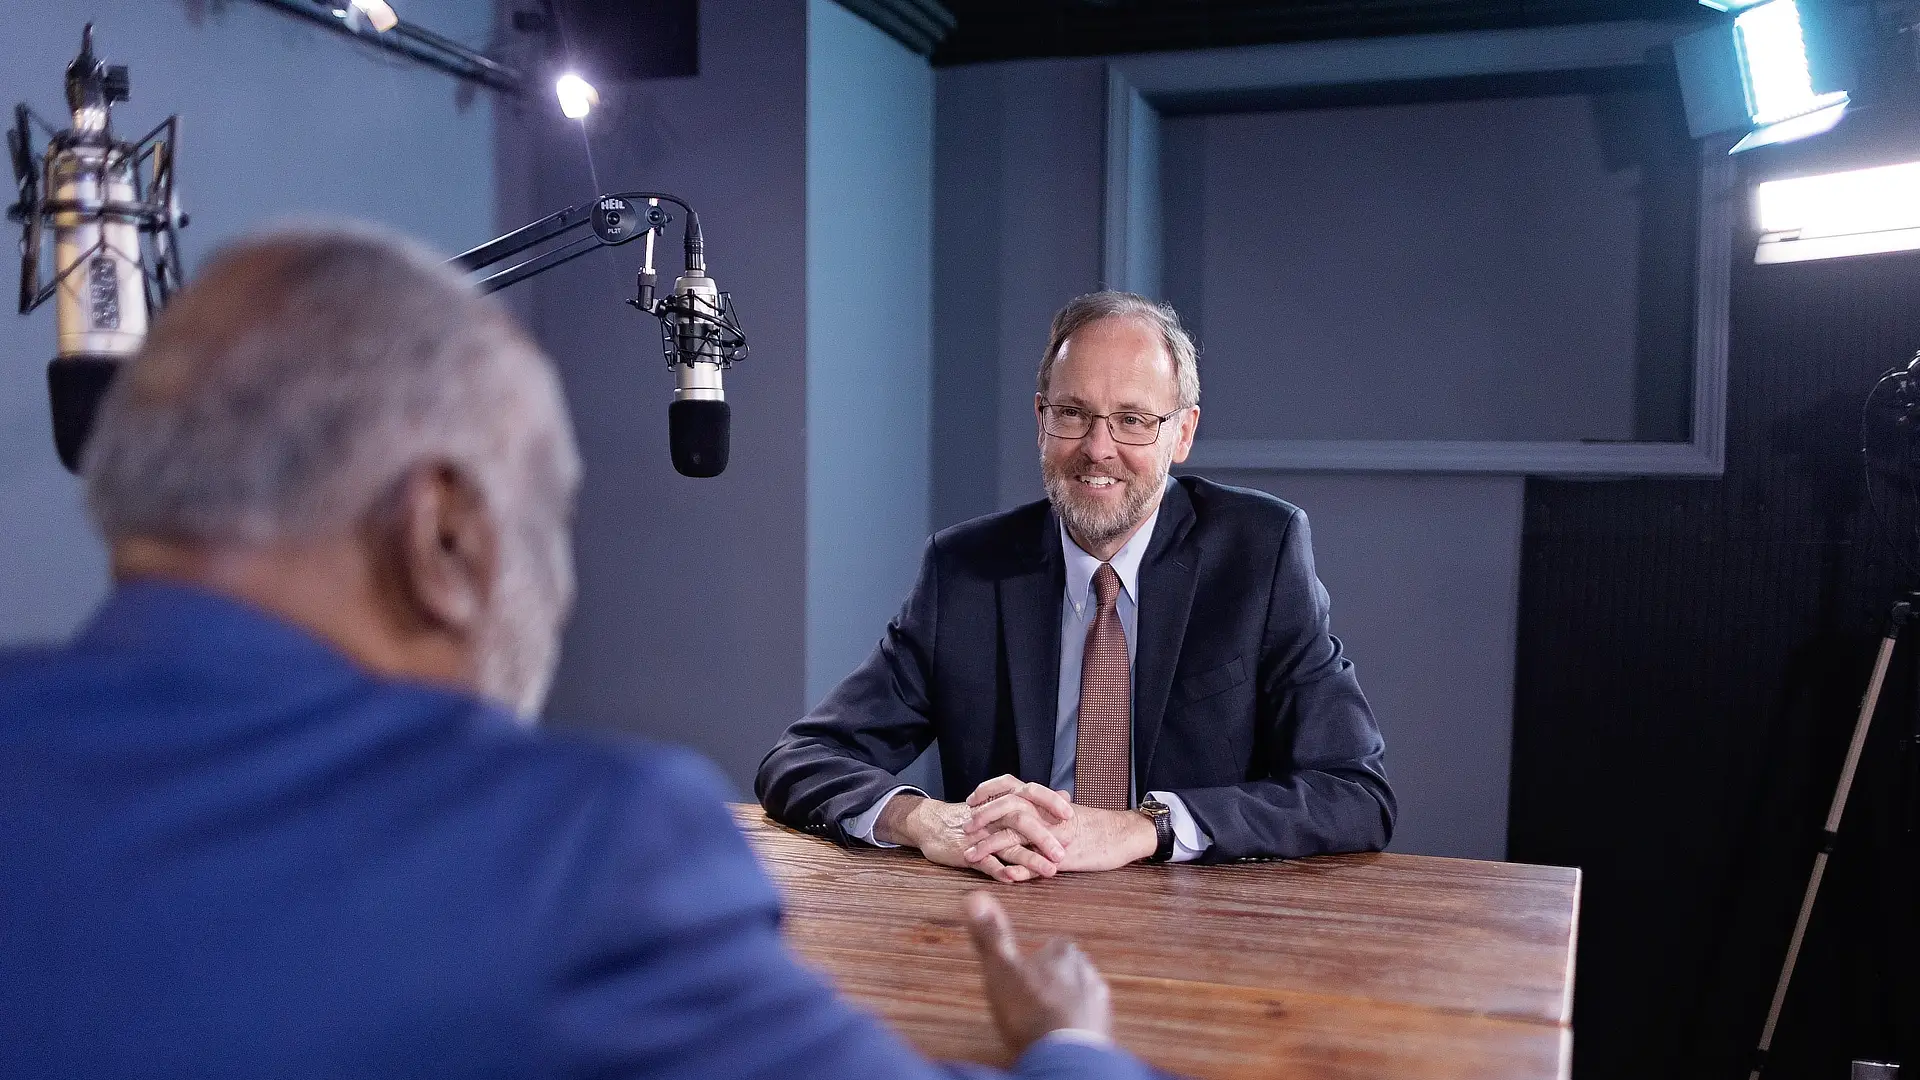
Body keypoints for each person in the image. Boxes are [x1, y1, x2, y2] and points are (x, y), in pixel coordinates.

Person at [0, 229, 1153, 1080]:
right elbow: (812, 756)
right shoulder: (584, 856)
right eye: (546, 523)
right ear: (443, 535)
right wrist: (1065, 1047)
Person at [757, 292, 1396, 882]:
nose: (1097, 448)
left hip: (1200, 924)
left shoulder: (1260, 552)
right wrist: (923, 821)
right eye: (1073, 414)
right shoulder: (967, 570)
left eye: (1133, 420)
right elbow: (802, 758)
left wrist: (1147, 827)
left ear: (1182, 433)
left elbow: (1354, 792)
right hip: (1013, 906)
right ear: (1041, 418)